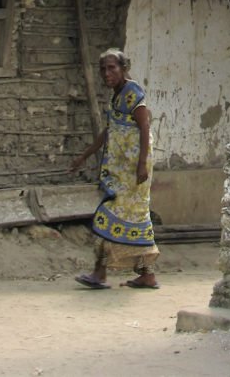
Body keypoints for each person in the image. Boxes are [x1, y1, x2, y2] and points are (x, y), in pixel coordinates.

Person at [71, 48, 160, 289]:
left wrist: (142, 165)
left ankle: (100, 273)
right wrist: (85, 155)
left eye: (112, 68)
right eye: (103, 69)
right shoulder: (116, 96)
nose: (107, 73)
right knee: (135, 218)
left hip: (134, 170)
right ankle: (147, 274)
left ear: (124, 68)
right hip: (121, 170)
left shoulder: (133, 94)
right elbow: (109, 131)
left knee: (108, 216)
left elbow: (144, 128)